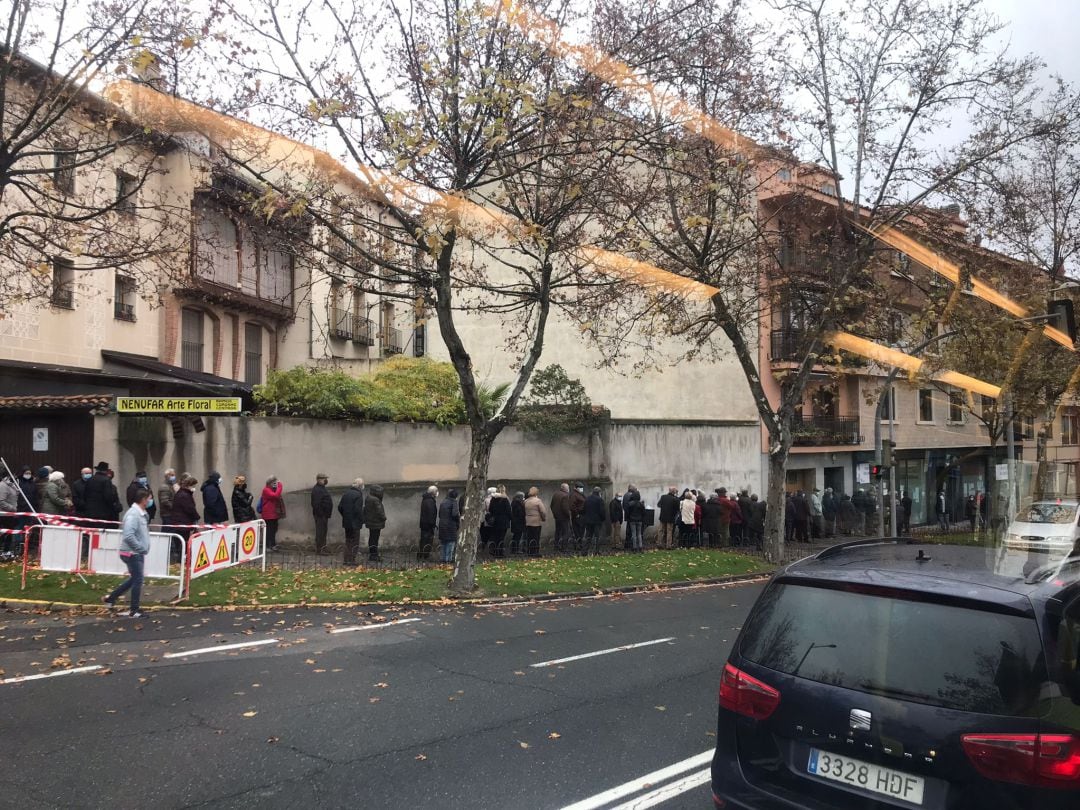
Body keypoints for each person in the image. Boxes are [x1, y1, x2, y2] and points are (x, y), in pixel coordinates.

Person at [103, 488, 152, 618]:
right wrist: (140, 547)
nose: (150, 501)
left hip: (134, 552)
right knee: (138, 579)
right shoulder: (133, 515)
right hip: (132, 553)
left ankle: (111, 599)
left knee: (134, 579)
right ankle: (134, 610)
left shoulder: (140, 513)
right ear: (143, 500)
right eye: (149, 499)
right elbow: (128, 535)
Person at [83, 462, 122, 526]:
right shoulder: (106, 480)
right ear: (106, 471)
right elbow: (108, 497)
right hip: (102, 514)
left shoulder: (90, 479)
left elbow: (85, 495)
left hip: (89, 513)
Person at [338, 479, 365, 565]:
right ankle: (352, 560)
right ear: (360, 486)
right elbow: (358, 510)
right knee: (355, 541)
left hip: (347, 522)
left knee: (348, 541)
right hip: (355, 523)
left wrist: (345, 516)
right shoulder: (358, 495)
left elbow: (340, 507)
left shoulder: (346, 493)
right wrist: (362, 520)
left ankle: (346, 559)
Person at [311, 473, 333, 555]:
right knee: (320, 532)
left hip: (324, 515)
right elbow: (316, 504)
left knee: (323, 532)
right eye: (324, 479)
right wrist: (321, 514)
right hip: (320, 515)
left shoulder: (322, 488)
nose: (326, 480)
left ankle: (323, 547)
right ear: (319, 479)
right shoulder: (317, 489)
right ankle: (320, 549)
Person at [260, 476, 285, 551]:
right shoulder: (266, 490)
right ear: (269, 483)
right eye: (273, 482)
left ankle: (273, 544)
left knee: (274, 530)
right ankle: (268, 546)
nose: (274, 484)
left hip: (274, 514)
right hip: (268, 514)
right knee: (269, 530)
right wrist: (280, 487)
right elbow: (275, 496)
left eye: (275, 482)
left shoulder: (274, 490)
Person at [363, 484, 386, 562]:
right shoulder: (375, 500)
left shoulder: (368, 498)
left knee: (372, 538)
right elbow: (379, 511)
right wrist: (384, 518)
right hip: (376, 522)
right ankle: (374, 555)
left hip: (371, 522)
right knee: (374, 539)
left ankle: (372, 554)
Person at [488, 485, 512, 558]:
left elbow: (490, 509)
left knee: (496, 537)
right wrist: (510, 518)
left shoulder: (493, 499)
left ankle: (494, 551)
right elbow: (509, 511)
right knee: (501, 537)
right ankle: (500, 552)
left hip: (495, 520)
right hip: (504, 521)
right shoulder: (505, 499)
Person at [438, 488, 461, 563]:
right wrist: (458, 520)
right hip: (450, 525)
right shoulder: (454, 502)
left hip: (442, 524)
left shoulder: (443, 502)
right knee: (450, 543)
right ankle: (448, 560)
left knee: (444, 543)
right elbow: (455, 514)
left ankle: (443, 559)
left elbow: (439, 514)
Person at [582, 486, 606, 555]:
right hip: (597, 521)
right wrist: (602, 519)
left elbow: (584, 509)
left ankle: (585, 551)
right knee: (597, 537)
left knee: (588, 537)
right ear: (599, 492)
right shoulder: (600, 500)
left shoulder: (587, 499)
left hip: (588, 521)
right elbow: (602, 511)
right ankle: (596, 551)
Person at [523, 486, 547, 557]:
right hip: (536, 522)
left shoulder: (526, 501)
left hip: (528, 522)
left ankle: (529, 551)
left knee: (529, 537)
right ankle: (535, 552)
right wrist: (543, 518)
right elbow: (543, 511)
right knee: (536, 537)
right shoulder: (538, 501)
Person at [419, 485, 439, 560]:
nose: (437, 493)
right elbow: (431, 514)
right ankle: (425, 556)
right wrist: (432, 525)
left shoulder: (426, 499)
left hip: (424, 524)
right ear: (433, 493)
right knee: (427, 541)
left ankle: (421, 555)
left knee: (423, 540)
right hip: (428, 525)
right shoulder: (430, 501)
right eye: (436, 491)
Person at [550, 483, 571, 553]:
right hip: (563, 517)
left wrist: (555, 514)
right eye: (568, 488)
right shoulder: (565, 496)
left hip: (557, 517)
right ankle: (564, 547)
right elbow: (565, 508)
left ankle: (556, 546)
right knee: (566, 532)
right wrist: (569, 515)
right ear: (565, 489)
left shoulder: (555, 494)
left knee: (557, 532)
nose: (569, 489)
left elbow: (551, 505)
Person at [624, 486, 645, 552]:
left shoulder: (630, 504)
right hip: (639, 520)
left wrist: (629, 517)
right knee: (639, 534)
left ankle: (634, 547)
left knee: (633, 534)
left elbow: (628, 511)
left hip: (632, 520)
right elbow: (644, 512)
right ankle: (641, 547)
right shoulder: (641, 504)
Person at [569, 482, 586, 549]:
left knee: (581, 530)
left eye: (582, 487)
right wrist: (577, 514)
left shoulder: (580, 494)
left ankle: (580, 544)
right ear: (576, 488)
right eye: (580, 487)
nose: (581, 489)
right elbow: (572, 506)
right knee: (578, 531)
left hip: (582, 515)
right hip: (578, 515)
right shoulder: (574, 495)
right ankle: (578, 545)